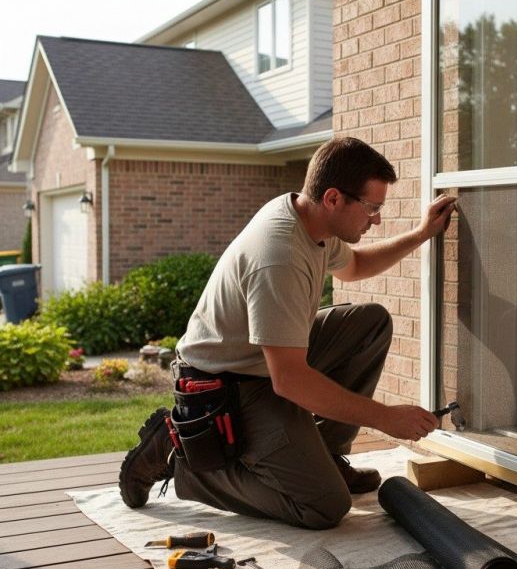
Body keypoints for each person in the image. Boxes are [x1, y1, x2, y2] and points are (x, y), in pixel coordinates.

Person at [119, 137, 457, 529]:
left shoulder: (311, 220)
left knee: (369, 323)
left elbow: (356, 266)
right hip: (225, 384)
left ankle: (324, 454)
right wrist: (386, 418)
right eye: (372, 207)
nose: (376, 219)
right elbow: (290, 381)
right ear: (332, 198)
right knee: (324, 506)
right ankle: (184, 462)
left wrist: (420, 234)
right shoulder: (278, 255)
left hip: (262, 362)